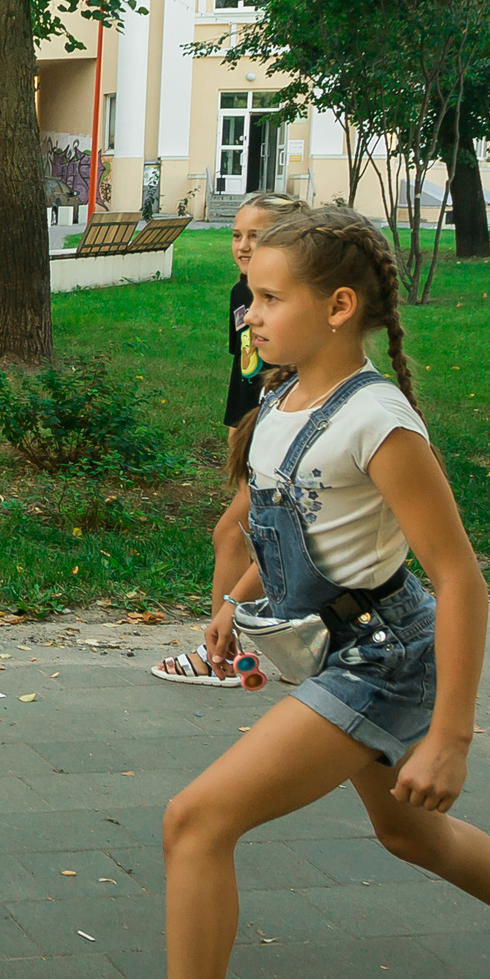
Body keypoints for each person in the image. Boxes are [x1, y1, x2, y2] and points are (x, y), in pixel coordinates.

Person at [59, 207, 490, 979]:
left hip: (385, 657)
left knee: (196, 821)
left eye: (270, 297)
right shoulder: (282, 403)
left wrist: (451, 734)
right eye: (251, 294)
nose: (250, 310)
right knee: (411, 836)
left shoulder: (378, 419)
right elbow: (302, 534)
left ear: (338, 306)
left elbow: (461, 578)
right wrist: (239, 604)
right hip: (341, 645)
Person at [151, 190, 306, 688]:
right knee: (273, 536)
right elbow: (245, 368)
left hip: (285, 428)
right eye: (237, 234)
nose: (242, 245)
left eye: (255, 236)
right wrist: (240, 429)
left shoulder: (295, 298)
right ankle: (304, 646)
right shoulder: (242, 294)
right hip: (254, 426)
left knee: (234, 534)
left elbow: (293, 368)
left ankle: (220, 654)